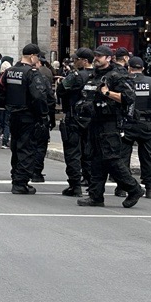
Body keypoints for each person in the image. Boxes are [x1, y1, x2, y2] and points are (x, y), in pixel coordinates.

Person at [76, 46, 144, 208]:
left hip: (110, 123)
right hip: (94, 121)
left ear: (108, 58)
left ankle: (133, 188)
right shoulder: (94, 75)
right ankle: (96, 196)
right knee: (96, 160)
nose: (96, 58)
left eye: (100, 56)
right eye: (95, 55)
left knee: (111, 159)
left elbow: (129, 97)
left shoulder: (117, 75)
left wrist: (107, 93)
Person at [0, 44, 53, 194]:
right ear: (33, 56)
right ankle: (20, 183)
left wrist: (6, 106)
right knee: (27, 149)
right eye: (37, 57)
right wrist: (43, 115)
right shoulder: (32, 73)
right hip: (29, 116)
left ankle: (16, 177)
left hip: (13, 114)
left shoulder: (9, 72)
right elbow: (39, 97)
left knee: (16, 147)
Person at [122, 56, 151, 199]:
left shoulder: (124, 82)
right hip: (147, 123)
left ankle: (122, 187)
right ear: (143, 68)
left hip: (127, 123)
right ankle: (150, 187)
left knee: (123, 157)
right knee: (148, 157)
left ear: (129, 68)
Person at [58, 47, 95, 197]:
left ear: (84, 61)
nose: (74, 62)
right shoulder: (100, 76)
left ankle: (75, 185)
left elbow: (60, 90)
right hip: (93, 119)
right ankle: (92, 183)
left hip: (75, 118)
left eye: (76, 59)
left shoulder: (76, 76)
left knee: (73, 152)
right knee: (90, 152)